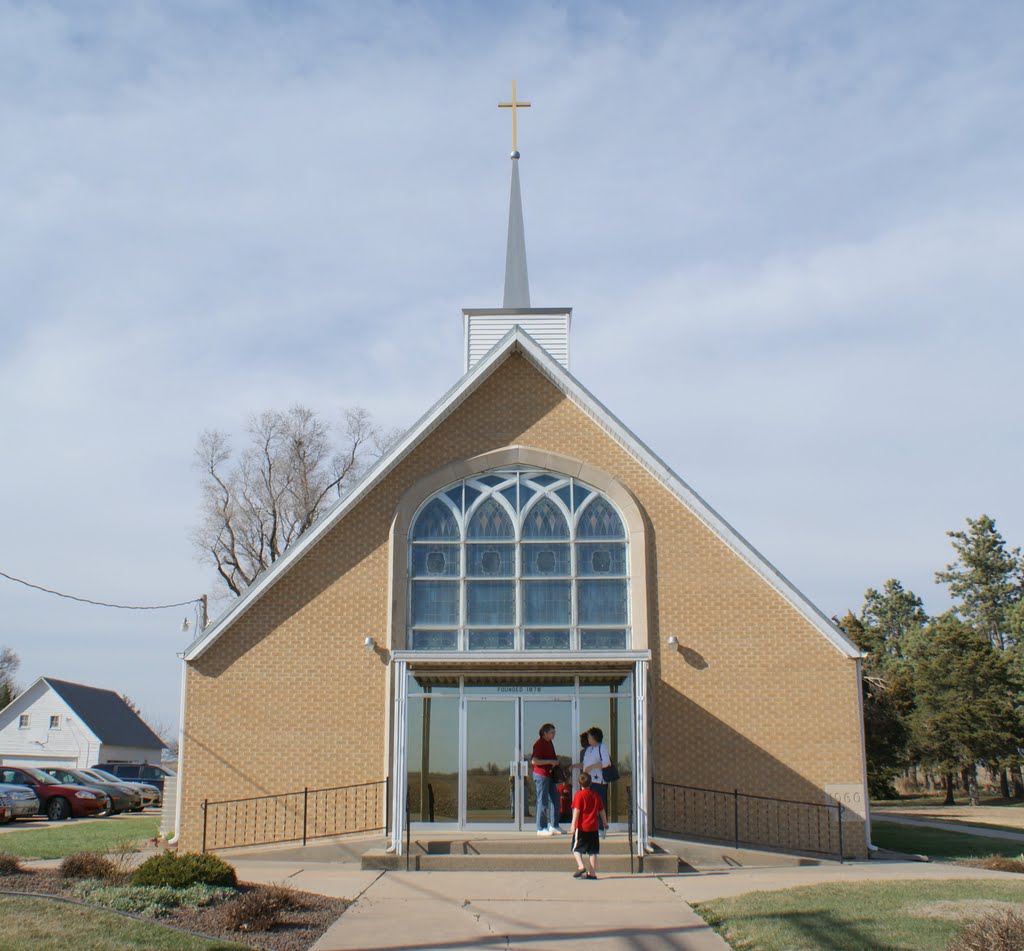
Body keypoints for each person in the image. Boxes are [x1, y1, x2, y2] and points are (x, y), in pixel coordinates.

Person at [569, 771, 606, 879]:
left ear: (579, 784)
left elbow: (577, 811)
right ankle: (592, 873)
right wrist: (604, 822)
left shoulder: (579, 795)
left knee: (576, 849)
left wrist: (573, 825)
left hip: (581, 827)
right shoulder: (595, 795)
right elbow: (601, 810)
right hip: (593, 827)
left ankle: (581, 866)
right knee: (593, 851)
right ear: (591, 783)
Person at [531, 723, 564, 835]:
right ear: (545, 733)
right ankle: (541, 828)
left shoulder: (549, 743)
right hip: (541, 775)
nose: (554, 734)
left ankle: (554, 825)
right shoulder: (539, 744)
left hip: (549, 775)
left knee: (555, 799)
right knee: (543, 801)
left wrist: (555, 761)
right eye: (552, 732)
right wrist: (550, 761)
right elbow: (534, 761)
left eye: (554, 732)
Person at [581, 726, 612, 838]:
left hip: (599, 781)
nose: (588, 739)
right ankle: (590, 828)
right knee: (588, 806)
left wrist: (592, 767)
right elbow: (585, 765)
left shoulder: (602, 747)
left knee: (599, 805)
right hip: (588, 782)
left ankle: (601, 828)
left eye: (590, 736)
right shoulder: (588, 749)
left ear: (595, 737)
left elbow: (606, 763)